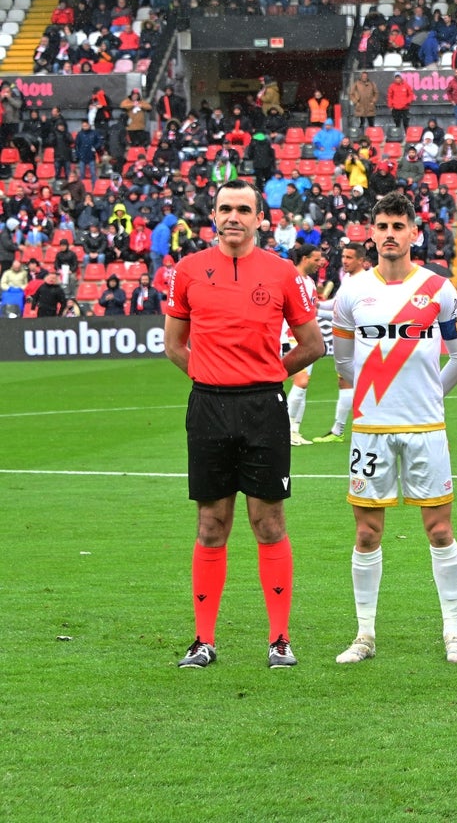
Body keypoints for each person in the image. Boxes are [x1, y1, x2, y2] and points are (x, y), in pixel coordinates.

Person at [164, 178, 325, 669]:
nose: (233, 216)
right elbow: (174, 344)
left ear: (261, 218)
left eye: (243, 209)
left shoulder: (282, 274)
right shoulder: (188, 270)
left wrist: (269, 374)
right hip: (208, 406)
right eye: (224, 208)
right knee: (212, 523)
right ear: (214, 215)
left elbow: (313, 344)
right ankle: (203, 642)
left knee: (268, 521)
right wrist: (212, 376)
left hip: (263, 408)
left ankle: (279, 639)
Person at [329, 191, 457, 664]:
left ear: (415, 233)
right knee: (367, 533)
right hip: (370, 430)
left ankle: (453, 633)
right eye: (383, 226)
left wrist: (431, 395)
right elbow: (345, 362)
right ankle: (364, 635)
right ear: (371, 234)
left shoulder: (439, 290)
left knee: (438, 530)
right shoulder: (351, 293)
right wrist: (374, 401)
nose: (390, 234)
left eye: (399, 226)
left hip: (426, 427)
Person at [313, 242, 370, 443]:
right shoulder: (348, 278)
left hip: (360, 337)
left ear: (362, 261)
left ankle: (341, 430)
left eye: (349, 258)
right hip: (352, 336)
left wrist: (317, 312)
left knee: (352, 381)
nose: (344, 261)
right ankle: (341, 429)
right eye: (344, 257)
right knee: (347, 380)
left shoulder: (363, 282)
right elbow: (337, 304)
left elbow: (344, 316)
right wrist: (319, 305)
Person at [283, 243, 323, 445]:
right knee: (301, 381)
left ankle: (295, 429)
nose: (320, 263)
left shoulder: (309, 282)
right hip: (292, 336)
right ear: (305, 258)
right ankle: (286, 429)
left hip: (305, 337)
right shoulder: (293, 279)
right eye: (316, 259)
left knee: (303, 385)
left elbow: (312, 312)